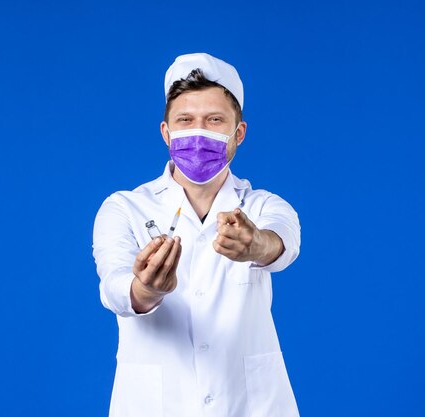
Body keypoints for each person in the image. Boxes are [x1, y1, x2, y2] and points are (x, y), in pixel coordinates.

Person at [92, 52, 301, 417]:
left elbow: (282, 244)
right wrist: (145, 289)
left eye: (214, 120)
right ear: (166, 131)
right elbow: (114, 287)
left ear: (239, 133)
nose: (197, 132)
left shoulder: (264, 206)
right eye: (185, 120)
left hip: (251, 406)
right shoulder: (124, 207)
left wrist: (256, 245)